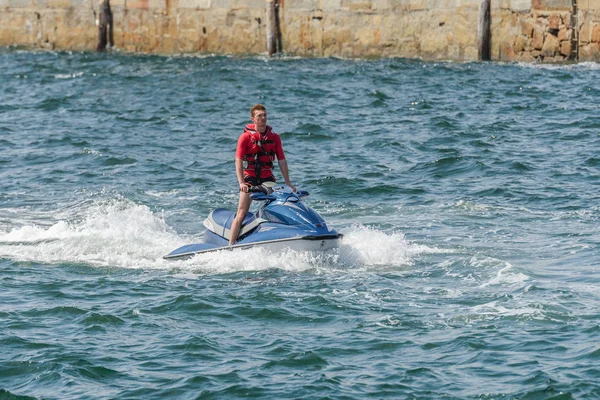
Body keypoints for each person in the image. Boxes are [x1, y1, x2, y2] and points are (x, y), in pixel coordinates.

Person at [229, 104, 296, 245]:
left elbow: (282, 160)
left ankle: (279, 236)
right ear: (253, 119)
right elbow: (238, 161)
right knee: (241, 212)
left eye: (265, 115)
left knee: (278, 206)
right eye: (260, 116)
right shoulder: (245, 137)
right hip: (250, 179)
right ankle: (231, 245)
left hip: (267, 179)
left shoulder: (275, 137)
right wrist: (241, 183)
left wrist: (288, 183)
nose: (263, 118)